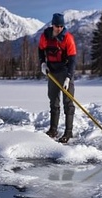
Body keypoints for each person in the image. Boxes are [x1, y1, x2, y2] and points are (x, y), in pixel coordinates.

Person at [38, 13, 77, 143]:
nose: (59, 28)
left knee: (68, 103)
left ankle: (68, 133)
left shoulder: (68, 38)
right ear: (52, 25)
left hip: (65, 72)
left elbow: (72, 60)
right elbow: (40, 50)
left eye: (61, 26)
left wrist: (68, 77)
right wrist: (43, 63)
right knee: (53, 102)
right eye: (57, 26)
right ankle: (53, 130)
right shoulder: (45, 36)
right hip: (52, 73)